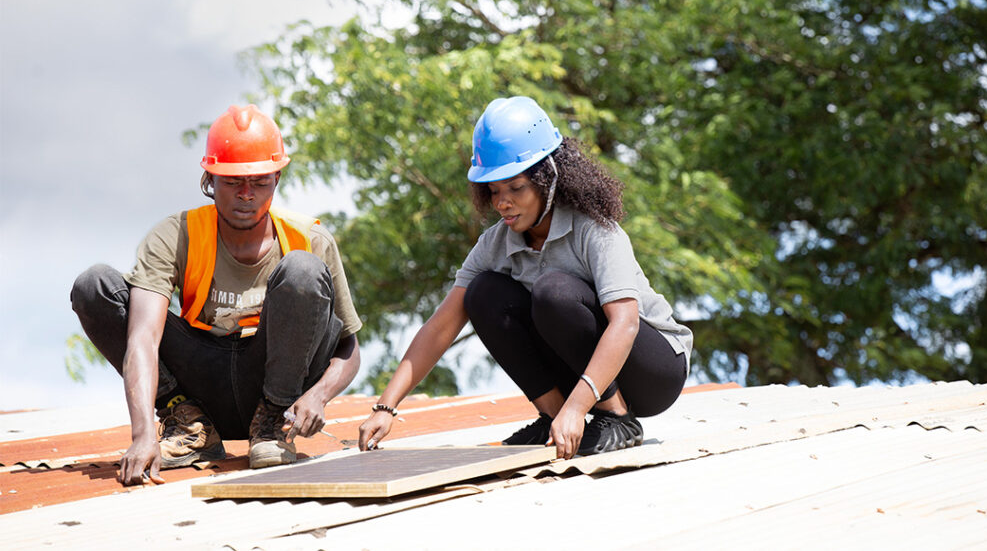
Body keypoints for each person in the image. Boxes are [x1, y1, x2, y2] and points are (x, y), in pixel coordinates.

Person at [358, 96, 692, 459]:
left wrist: (578, 409)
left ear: (547, 178)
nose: (502, 202)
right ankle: (551, 416)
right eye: (494, 190)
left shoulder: (594, 230)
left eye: (515, 188)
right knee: (482, 293)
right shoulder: (495, 243)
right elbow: (441, 326)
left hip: (653, 371)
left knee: (554, 291)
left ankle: (618, 418)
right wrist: (385, 406)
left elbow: (625, 324)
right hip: (584, 377)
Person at [71, 104, 362, 485]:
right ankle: (189, 426)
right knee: (94, 286)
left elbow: (348, 350)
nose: (246, 195)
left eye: (259, 182)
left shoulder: (309, 240)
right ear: (209, 178)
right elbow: (143, 337)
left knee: (303, 270)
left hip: (274, 387)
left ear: (276, 178)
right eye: (232, 182)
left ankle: (271, 427)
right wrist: (142, 434)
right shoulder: (176, 235)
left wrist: (318, 395)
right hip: (202, 380)